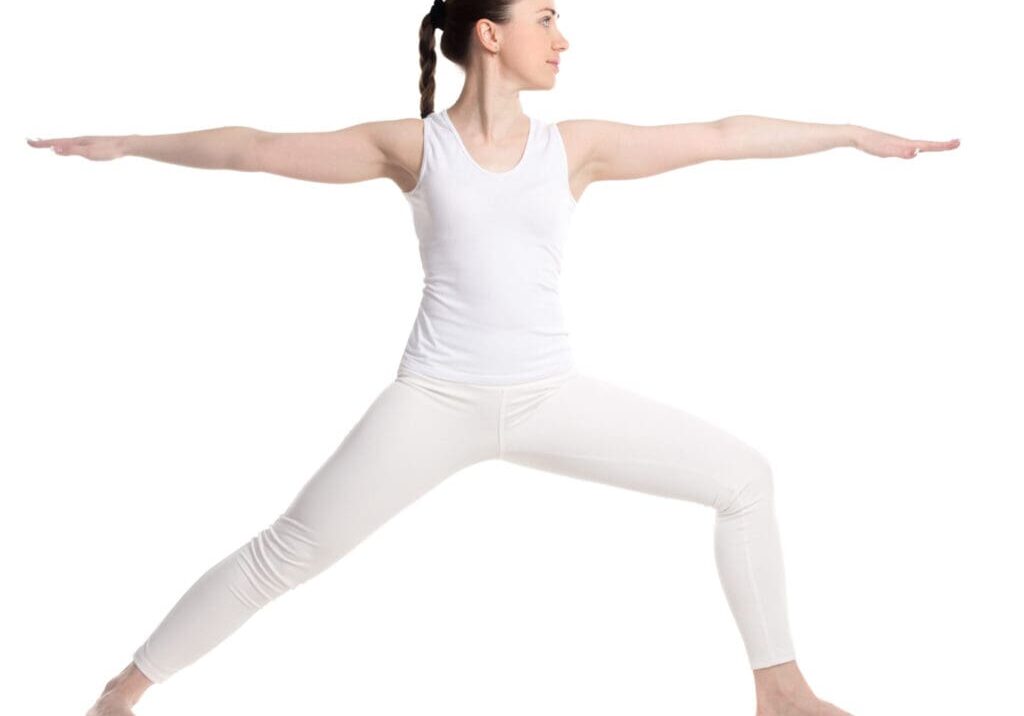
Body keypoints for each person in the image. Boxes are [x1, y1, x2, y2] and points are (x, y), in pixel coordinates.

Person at [29, 1, 959, 714]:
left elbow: (723, 135)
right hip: (435, 398)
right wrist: (129, 145)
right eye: (547, 18)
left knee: (745, 478)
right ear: (489, 34)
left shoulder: (576, 149)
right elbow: (256, 149)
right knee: (286, 554)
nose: (564, 37)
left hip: (551, 396)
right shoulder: (416, 146)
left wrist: (850, 135)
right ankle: (122, 692)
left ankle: (781, 690)